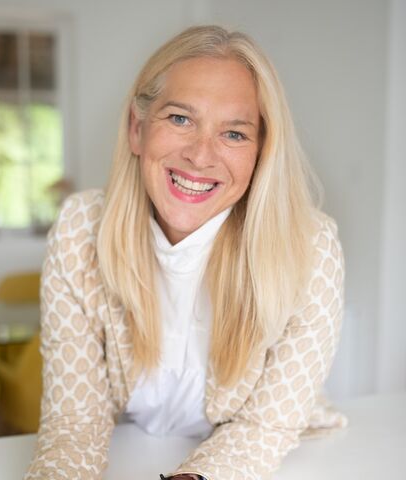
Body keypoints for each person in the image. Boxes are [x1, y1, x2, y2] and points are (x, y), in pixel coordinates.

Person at [24, 25, 346, 480]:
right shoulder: (80, 230)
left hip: (284, 456)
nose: (200, 155)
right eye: (180, 119)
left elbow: (262, 428)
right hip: (135, 445)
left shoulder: (311, 248)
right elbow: (74, 422)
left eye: (234, 134)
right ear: (138, 129)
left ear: (262, 153)